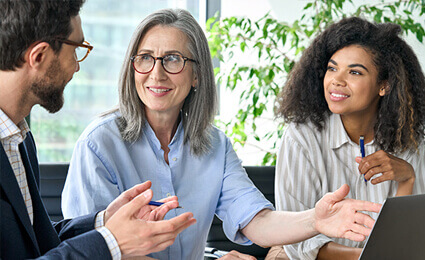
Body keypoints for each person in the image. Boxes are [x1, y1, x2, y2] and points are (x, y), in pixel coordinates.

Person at [61, 9, 382, 260]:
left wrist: (316, 220)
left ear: (197, 75)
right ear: (132, 68)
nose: (156, 73)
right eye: (145, 58)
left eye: (173, 59)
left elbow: (257, 221)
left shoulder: (215, 145)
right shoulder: (98, 144)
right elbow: (97, 251)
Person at [0, 1, 197, 259]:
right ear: (39, 56)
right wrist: (111, 242)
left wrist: (104, 221)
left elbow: (38, 245)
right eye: (76, 49)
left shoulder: (19, 140)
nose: (77, 66)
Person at [269, 16, 425, 260]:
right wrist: (367, 257)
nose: (336, 80)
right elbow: (296, 242)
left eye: (354, 72)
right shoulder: (301, 137)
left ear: (384, 85)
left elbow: (412, 237)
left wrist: (406, 177)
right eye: (332, 68)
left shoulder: (406, 137)